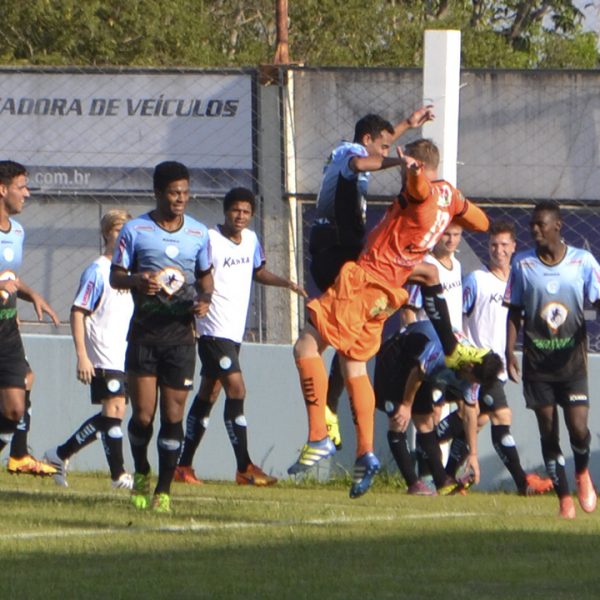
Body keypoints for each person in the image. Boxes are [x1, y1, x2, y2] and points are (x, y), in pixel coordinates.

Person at [289, 139, 490, 499]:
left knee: (306, 344)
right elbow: (482, 221)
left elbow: (417, 188)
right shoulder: (450, 195)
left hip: (365, 281)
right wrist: (454, 210)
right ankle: (365, 451)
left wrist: (410, 172)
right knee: (354, 367)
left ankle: (318, 433)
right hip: (388, 296)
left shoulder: (422, 191)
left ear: (419, 164)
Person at [309, 107, 435, 450]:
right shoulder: (349, 154)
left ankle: (336, 415)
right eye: (382, 146)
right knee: (334, 342)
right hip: (334, 252)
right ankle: (327, 413)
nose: (385, 150)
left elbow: (377, 146)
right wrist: (403, 162)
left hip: (341, 252)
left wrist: (408, 123)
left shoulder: (359, 147)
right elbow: (364, 162)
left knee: (350, 344)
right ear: (366, 141)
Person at [174, 187, 307, 486]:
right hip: (212, 330)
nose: (241, 216)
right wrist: (203, 298)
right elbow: (199, 273)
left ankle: (183, 466)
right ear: (226, 211)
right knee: (237, 389)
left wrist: (286, 283)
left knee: (209, 394)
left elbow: (257, 271)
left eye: (246, 211)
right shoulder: (210, 239)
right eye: (236, 210)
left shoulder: (251, 240)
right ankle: (244, 466)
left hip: (233, 332)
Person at [110, 161, 213, 513]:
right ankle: (141, 472)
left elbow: (206, 279)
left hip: (181, 337)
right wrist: (139, 280)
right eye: (173, 193)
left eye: (184, 192)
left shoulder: (199, 234)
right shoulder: (135, 231)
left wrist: (204, 300)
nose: (180, 199)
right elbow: (116, 277)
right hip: (144, 335)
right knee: (142, 416)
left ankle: (164, 491)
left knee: (173, 416)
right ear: (157, 193)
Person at [437, 220, 552, 495]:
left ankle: (443, 471)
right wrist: (465, 355)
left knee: (477, 420)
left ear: (513, 247)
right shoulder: (477, 280)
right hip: (478, 366)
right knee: (501, 415)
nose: (498, 250)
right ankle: (523, 482)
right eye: (493, 245)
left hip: (497, 366)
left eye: (503, 245)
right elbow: (456, 319)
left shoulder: (518, 283)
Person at [505, 200, 600, 519]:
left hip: (572, 363)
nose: (535, 230)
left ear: (557, 226)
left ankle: (582, 474)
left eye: (540, 224)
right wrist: (509, 351)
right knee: (548, 431)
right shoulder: (522, 264)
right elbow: (515, 311)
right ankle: (563, 499)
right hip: (537, 363)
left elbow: (597, 299)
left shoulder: (582, 262)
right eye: (532, 225)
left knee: (578, 428)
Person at [44, 210, 135, 489]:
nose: (122, 237)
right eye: (118, 231)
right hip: (102, 351)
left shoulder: (131, 272)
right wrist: (82, 355)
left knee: (114, 415)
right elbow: (78, 311)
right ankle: (118, 476)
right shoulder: (98, 271)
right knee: (113, 409)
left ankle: (59, 454)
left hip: (124, 352)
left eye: (126, 232)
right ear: (107, 233)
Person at [374, 319, 503, 495]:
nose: (471, 384)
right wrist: (406, 404)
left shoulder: (475, 369)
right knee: (398, 417)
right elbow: (417, 373)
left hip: (419, 366)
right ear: (469, 366)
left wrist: (473, 454)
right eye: (472, 379)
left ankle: (442, 481)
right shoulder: (442, 353)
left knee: (425, 421)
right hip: (396, 357)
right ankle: (413, 483)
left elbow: (470, 413)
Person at [0, 160, 59, 470]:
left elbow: (10, 278)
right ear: (2, 189)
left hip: (6, 327)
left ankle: (18, 455)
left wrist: (32, 294)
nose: (27, 193)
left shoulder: (17, 231)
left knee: (14, 408)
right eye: (22, 187)